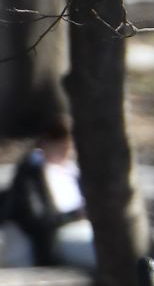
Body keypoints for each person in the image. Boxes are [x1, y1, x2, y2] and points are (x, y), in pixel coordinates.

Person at [0, 115, 93, 270]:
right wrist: (74, 215)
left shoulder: (72, 171)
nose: (67, 153)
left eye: (70, 147)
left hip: (82, 228)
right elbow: (36, 218)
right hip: (53, 237)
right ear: (46, 143)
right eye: (62, 147)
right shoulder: (32, 172)